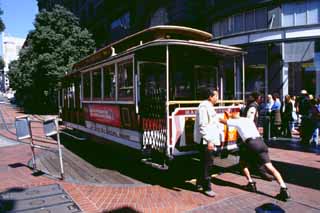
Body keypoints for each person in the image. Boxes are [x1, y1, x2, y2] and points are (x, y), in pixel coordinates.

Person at [219, 114, 291, 201]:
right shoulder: (248, 120)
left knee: (243, 164)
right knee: (270, 167)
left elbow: (222, 121)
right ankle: (284, 189)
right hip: (261, 143)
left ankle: (251, 183)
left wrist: (215, 115)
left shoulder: (237, 122)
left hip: (251, 144)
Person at [193, 88, 222, 197]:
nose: (217, 98)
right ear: (210, 97)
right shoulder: (204, 107)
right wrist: (209, 141)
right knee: (208, 164)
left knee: (203, 163)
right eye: (216, 96)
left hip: (208, 140)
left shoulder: (209, 106)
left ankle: (199, 184)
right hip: (205, 141)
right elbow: (203, 125)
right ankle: (207, 188)